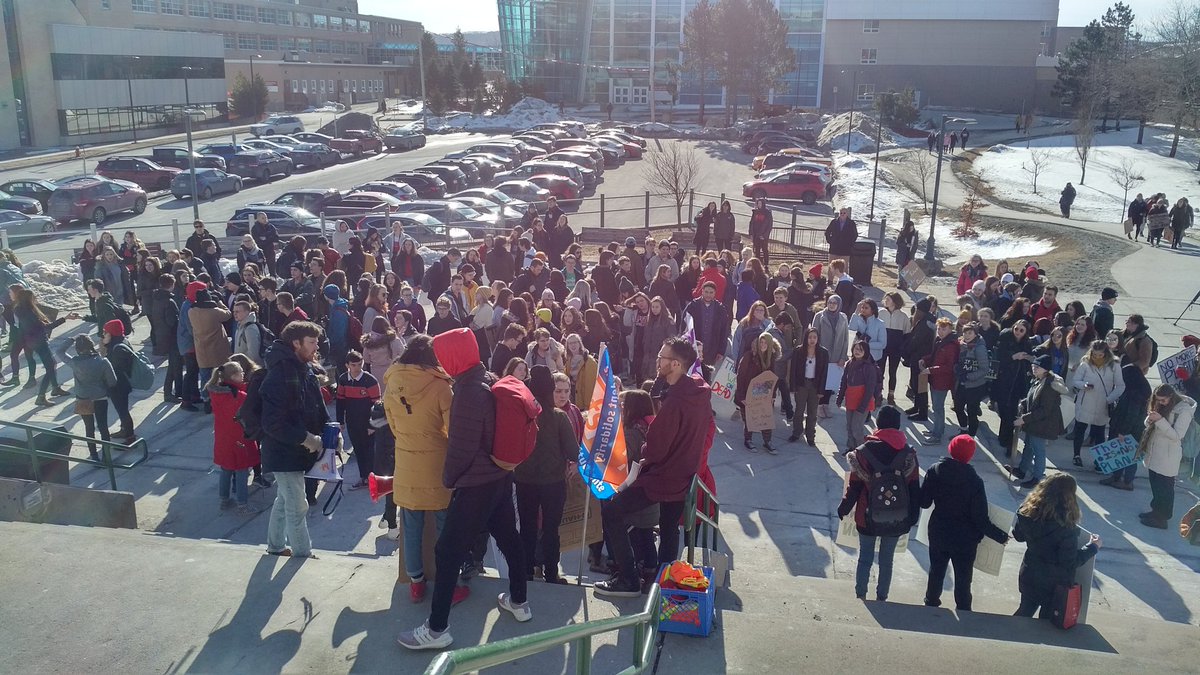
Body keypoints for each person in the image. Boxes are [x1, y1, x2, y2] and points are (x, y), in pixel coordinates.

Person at [398, 328, 531, 650]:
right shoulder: (485, 377)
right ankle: (519, 600)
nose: (439, 362)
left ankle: (437, 629)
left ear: (454, 357)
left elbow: (461, 448)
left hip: (477, 484)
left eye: (443, 357)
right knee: (508, 537)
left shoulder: (468, 393)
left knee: (446, 552)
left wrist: (448, 480)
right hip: (500, 476)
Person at [594, 337, 713, 598]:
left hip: (663, 477)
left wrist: (646, 452)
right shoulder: (698, 391)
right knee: (669, 528)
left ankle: (628, 579)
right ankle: (663, 584)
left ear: (676, 364)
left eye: (662, 357)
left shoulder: (676, 402)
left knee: (612, 510)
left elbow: (656, 447)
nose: (657, 360)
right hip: (684, 475)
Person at [260, 321, 330, 559]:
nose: (316, 346)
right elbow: (271, 424)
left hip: (297, 451)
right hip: (282, 453)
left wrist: (331, 432)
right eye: (311, 342)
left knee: (285, 499)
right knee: (298, 504)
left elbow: (317, 406)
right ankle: (302, 553)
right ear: (296, 343)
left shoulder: (304, 368)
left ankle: (275, 546)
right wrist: (306, 438)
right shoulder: (278, 374)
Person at [837, 405, 920, 602]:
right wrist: (912, 516)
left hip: (867, 516)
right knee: (886, 561)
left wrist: (844, 508)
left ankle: (861, 596)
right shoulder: (909, 454)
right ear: (898, 426)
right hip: (897, 517)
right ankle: (882, 598)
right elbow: (914, 488)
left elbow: (855, 487)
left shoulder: (863, 452)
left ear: (879, 424)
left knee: (865, 558)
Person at [920, 434, 1008, 610]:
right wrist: (1001, 536)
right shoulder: (975, 482)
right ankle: (964, 610)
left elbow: (924, 502)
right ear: (970, 455)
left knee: (936, 570)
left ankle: (931, 603)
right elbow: (980, 519)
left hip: (939, 531)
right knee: (963, 578)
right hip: (965, 539)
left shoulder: (934, 470)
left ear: (951, 449)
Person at [515, 365, 577, 584]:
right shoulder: (559, 417)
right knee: (551, 529)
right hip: (553, 481)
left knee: (527, 527)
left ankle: (526, 571)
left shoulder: (522, 414)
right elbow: (572, 451)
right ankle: (551, 572)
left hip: (524, 479)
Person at [1012, 474, 1101, 618]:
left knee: (1024, 612)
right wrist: (1093, 547)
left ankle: (1009, 637)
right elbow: (1069, 562)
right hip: (1054, 584)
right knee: (1046, 626)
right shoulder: (1066, 527)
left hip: (1030, 574)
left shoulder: (1027, 512)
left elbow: (1018, 536)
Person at [1137, 384, 1197, 529]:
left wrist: (1159, 420)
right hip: (1155, 451)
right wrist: (1150, 420)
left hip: (1169, 455)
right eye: (1157, 400)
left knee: (1165, 488)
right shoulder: (1161, 404)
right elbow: (1149, 424)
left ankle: (1162, 518)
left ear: (1171, 397)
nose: (1160, 403)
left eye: (1163, 400)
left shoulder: (1184, 411)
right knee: (1155, 485)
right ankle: (1155, 511)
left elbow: (1177, 435)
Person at [1004, 354, 1069, 488]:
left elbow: (1044, 410)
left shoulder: (1049, 386)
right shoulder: (1038, 380)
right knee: (1028, 447)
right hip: (1034, 423)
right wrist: (1023, 403)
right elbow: (1032, 398)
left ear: (1045, 369)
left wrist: (1023, 419)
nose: (1034, 368)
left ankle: (1038, 477)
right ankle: (1022, 470)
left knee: (1038, 451)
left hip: (1043, 425)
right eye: (1034, 365)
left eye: (1037, 367)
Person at [208, 361, 260, 514]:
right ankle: (242, 504)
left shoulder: (215, 393)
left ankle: (224, 499)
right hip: (239, 438)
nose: (244, 375)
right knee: (242, 470)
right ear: (233, 376)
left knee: (226, 469)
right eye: (241, 373)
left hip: (223, 438)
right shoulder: (240, 396)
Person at [1071, 340, 1124, 467]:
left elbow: (1120, 385)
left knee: (1099, 432)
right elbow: (1076, 380)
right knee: (1080, 428)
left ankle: (1099, 460)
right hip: (1085, 401)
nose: (1097, 357)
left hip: (1103, 403)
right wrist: (1083, 385)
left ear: (1106, 353)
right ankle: (1076, 455)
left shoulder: (1114, 365)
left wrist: (1110, 399)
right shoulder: (1085, 362)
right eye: (1094, 354)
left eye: (1100, 355)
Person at [336, 351, 381, 491]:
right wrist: (340, 421)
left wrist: (372, 424)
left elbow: (377, 405)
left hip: (367, 423)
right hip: (352, 421)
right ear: (347, 365)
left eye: (359, 364)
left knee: (370, 451)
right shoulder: (343, 379)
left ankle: (373, 479)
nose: (357, 368)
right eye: (353, 365)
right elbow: (340, 401)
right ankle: (364, 477)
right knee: (359, 450)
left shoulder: (370, 380)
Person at [69, 335, 116, 461]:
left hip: (83, 398)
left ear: (77, 349)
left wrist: (72, 339)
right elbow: (113, 381)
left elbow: (59, 352)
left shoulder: (74, 362)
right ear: (91, 346)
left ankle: (94, 456)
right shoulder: (102, 361)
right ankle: (106, 456)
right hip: (100, 397)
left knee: (89, 428)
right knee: (103, 427)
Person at [735, 333, 781, 453]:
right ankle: (748, 440)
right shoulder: (749, 356)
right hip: (748, 392)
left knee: (765, 416)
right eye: (761, 342)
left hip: (764, 393)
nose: (763, 345)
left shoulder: (770, 358)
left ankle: (767, 442)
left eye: (766, 343)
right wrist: (741, 396)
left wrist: (773, 395)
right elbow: (740, 376)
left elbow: (773, 378)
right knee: (750, 418)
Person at [921, 318, 959, 445]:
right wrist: (925, 359)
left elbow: (948, 367)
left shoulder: (951, 345)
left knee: (938, 408)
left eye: (944, 329)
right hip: (935, 379)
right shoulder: (941, 341)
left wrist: (930, 370)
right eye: (939, 329)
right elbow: (934, 357)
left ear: (950, 329)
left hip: (942, 381)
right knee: (937, 407)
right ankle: (937, 430)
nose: (940, 331)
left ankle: (937, 436)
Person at [788, 327, 828, 447]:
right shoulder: (799, 351)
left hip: (815, 386)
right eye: (810, 337)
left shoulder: (823, 352)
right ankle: (796, 432)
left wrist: (822, 390)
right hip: (801, 385)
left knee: (812, 412)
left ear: (818, 339)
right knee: (799, 410)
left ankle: (810, 435)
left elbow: (824, 373)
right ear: (806, 338)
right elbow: (793, 370)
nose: (812, 340)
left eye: (814, 337)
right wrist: (793, 387)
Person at [838, 340, 879, 453]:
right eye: (856, 348)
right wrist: (840, 397)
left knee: (857, 428)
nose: (858, 351)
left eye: (861, 349)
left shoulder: (869, 367)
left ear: (865, 352)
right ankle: (851, 448)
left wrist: (862, 406)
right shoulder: (849, 364)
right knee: (849, 427)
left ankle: (861, 451)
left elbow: (870, 389)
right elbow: (844, 382)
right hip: (851, 400)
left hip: (862, 403)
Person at [100, 320, 137, 443]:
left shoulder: (117, 349)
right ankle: (124, 430)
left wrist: (105, 349)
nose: (103, 335)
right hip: (122, 384)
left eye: (106, 332)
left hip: (118, 386)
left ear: (112, 333)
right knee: (122, 409)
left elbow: (113, 369)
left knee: (123, 411)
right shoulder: (120, 343)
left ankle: (130, 436)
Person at [813, 295, 849, 418]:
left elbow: (845, 339)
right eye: (830, 302)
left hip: (836, 356)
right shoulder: (819, 316)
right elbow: (814, 336)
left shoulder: (843, 317)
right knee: (821, 381)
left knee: (831, 382)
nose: (832, 305)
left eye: (834, 303)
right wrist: (814, 353)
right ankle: (819, 406)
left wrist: (843, 356)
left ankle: (826, 405)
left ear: (839, 304)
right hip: (822, 354)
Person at [952, 322, 990, 438]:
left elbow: (984, 369)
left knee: (972, 411)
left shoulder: (979, 348)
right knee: (958, 407)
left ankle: (971, 435)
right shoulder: (961, 344)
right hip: (961, 383)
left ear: (975, 334)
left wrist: (968, 376)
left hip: (975, 386)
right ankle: (963, 429)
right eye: (965, 332)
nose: (967, 335)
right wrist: (957, 369)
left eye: (970, 333)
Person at [683, 282, 730, 367]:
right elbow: (683, 327)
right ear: (702, 291)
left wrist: (721, 351)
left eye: (711, 292)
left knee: (708, 375)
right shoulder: (693, 306)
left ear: (715, 293)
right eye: (706, 292)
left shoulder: (720, 309)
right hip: (694, 349)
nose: (708, 295)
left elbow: (724, 331)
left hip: (712, 350)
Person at [895, 219, 919, 289]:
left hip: (910, 254)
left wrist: (912, 250)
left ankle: (906, 284)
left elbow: (915, 244)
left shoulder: (915, 234)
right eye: (910, 228)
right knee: (901, 268)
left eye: (912, 227)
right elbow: (898, 242)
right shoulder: (902, 233)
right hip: (902, 253)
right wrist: (905, 245)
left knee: (908, 269)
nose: (911, 229)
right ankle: (900, 282)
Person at [749, 198, 773, 265]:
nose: (759, 205)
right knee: (757, 250)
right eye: (758, 203)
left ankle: (766, 264)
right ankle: (757, 264)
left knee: (765, 250)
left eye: (760, 203)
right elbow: (751, 223)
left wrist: (764, 235)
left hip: (763, 235)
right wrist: (751, 233)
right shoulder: (755, 212)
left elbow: (769, 225)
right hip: (756, 234)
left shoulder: (767, 212)